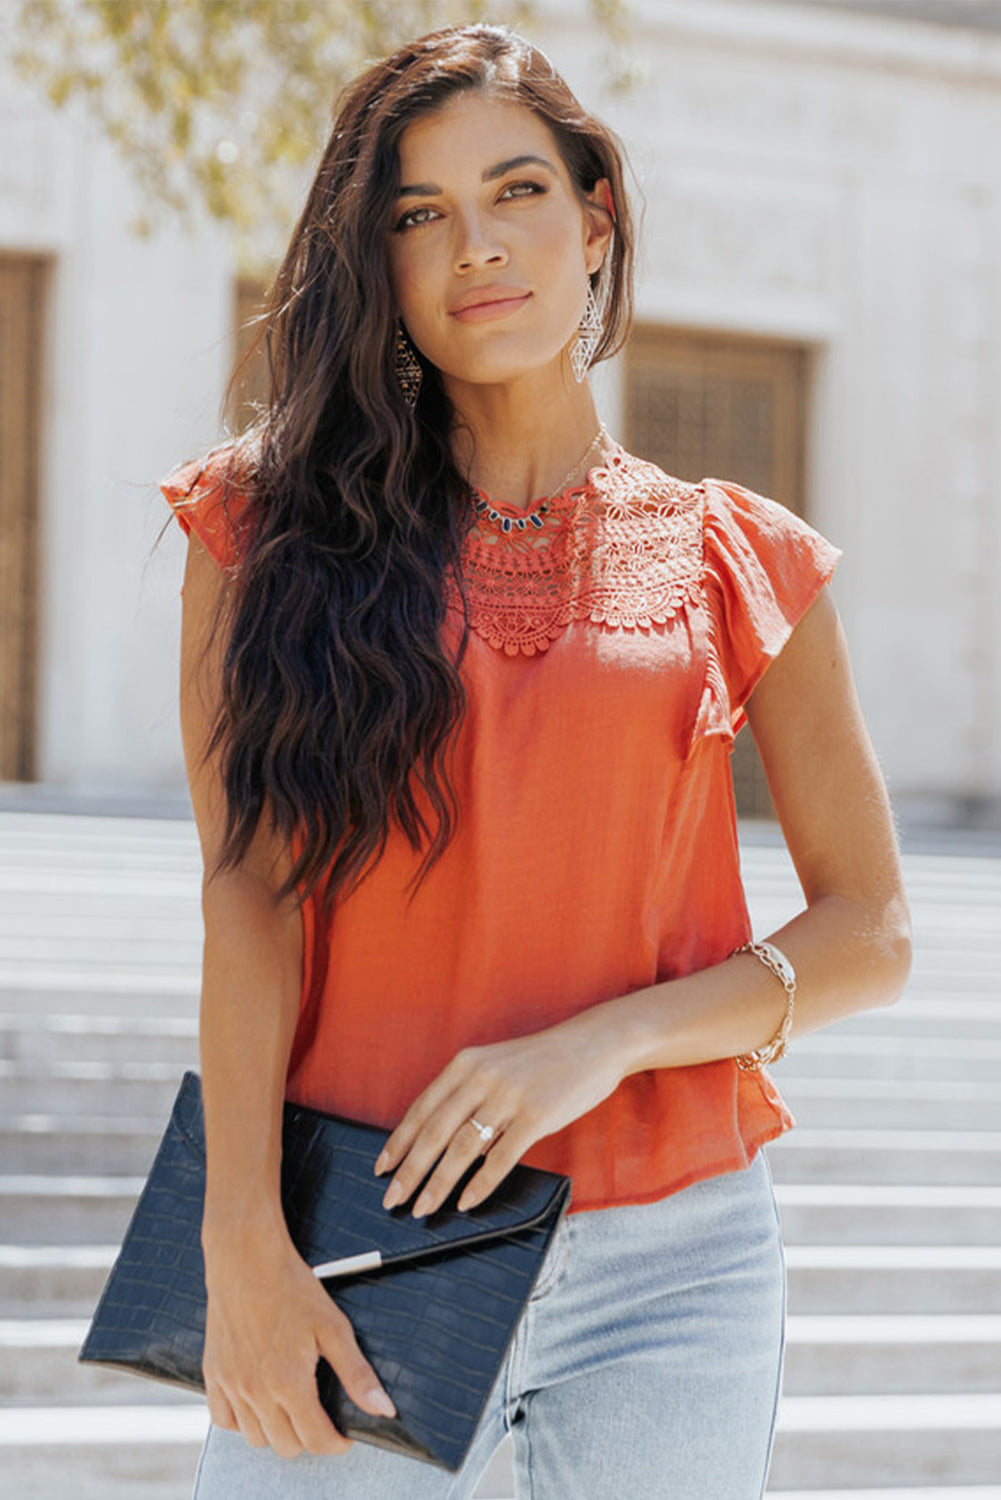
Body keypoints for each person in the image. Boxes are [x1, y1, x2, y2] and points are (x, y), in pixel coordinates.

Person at [160, 22, 911, 1500]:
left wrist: (603, 1041)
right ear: (376, 263)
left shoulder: (734, 553)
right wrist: (238, 1234)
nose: (474, 249)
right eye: (416, 215)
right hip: (358, 1234)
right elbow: (248, 896)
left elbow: (868, 932)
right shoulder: (263, 533)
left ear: (594, 219)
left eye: (515, 193)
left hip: (677, 1268)